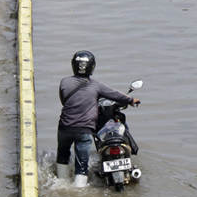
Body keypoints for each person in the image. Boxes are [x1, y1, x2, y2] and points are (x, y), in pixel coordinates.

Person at [57, 51, 139, 188]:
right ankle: (79, 190)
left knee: (63, 154)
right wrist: (131, 100)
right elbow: (115, 95)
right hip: (84, 129)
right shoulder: (96, 85)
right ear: (92, 67)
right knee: (82, 165)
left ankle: (60, 183)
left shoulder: (64, 82)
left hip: (64, 127)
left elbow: (64, 101)